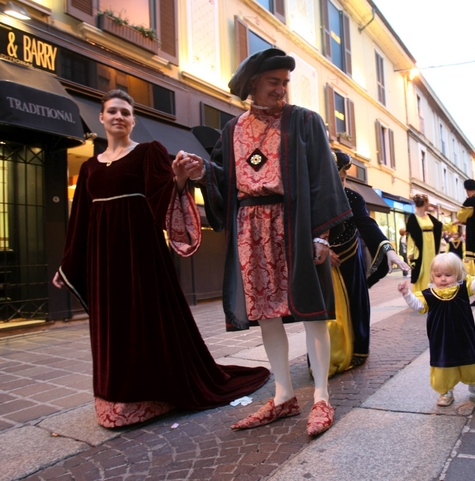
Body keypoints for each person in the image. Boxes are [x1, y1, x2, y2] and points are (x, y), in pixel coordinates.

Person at [53, 89, 270, 428]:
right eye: (112, 111)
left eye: (125, 112)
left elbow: (164, 194)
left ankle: (153, 392)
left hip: (140, 253)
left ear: (133, 120)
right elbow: (80, 219)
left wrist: (180, 178)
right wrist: (68, 264)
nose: (118, 117)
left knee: (144, 318)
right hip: (103, 261)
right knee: (113, 325)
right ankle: (115, 397)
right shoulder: (90, 167)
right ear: (101, 117)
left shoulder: (148, 153)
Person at [180, 48, 352, 436]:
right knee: (265, 312)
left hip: (295, 224)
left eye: (285, 83)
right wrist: (201, 171)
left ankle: (322, 396)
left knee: (312, 309)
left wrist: (321, 233)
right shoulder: (232, 129)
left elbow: (322, 176)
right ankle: (283, 395)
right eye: (273, 82)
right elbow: (225, 179)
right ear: (253, 85)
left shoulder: (305, 121)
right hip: (250, 228)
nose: (281, 89)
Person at [326, 150, 410, 375]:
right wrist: (321, 251)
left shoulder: (354, 198)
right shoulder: (312, 198)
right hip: (321, 263)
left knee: (355, 306)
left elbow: (367, 225)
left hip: (349, 260)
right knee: (324, 312)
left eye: (343, 179)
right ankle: (325, 355)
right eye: (337, 178)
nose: (340, 184)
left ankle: (356, 352)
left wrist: (390, 251)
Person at [398, 253, 475, 407]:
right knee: (443, 364)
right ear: (432, 276)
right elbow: (418, 306)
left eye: (448, 275)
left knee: (470, 359)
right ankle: (446, 391)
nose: (443, 279)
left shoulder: (463, 288)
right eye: (438, 275)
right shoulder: (428, 294)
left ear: (458, 274)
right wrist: (406, 294)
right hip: (441, 338)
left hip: (464, 335)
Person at [406, 194, 443, 293]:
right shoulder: (413, 218)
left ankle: (433, 290)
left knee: (432, 268)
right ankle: (421, 293)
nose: (429, 204)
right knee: (421, 270)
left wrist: (452, 224)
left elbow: (439, 226)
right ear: (425, 203)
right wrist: (410, 251)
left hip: (431, 247)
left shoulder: (429, 216)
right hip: (420, 248)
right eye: (428, 202)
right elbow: (410, 237)